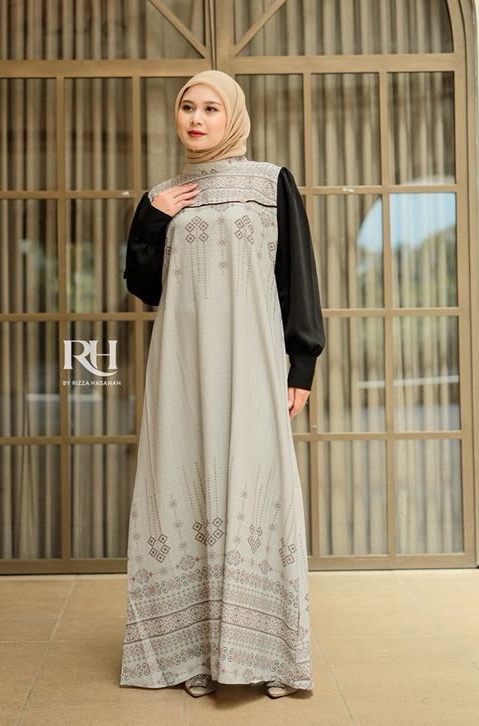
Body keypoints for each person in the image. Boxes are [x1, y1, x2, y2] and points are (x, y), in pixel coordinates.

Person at [119, 69, 325, 699]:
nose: (197, 118)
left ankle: (267, 655)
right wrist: (150, 220)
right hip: (182, 369)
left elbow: (296, 276)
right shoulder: (163, 194)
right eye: (188, 106)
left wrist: (301, 363)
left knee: (254, 488)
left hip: (252, 361)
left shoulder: (270, 182)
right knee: (185, 486)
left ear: (232, 116)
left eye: (211, 108)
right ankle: (192, 654)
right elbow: (145, 287)